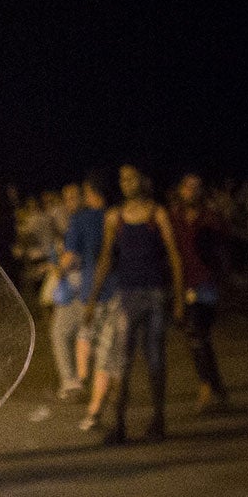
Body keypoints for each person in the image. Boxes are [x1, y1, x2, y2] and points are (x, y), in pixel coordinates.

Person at [85, 165, 183, 442]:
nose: (126, 183)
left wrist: (178, 300)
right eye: (122, 179)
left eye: (131, 177)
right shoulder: (114, 217)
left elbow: (174, 255)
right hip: (126, 295)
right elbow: (106, 258)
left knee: (155, 360)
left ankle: (158, 420)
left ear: (143, 179)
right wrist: (92, 301)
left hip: (154, 294)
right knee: (122, 362)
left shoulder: (157, 214)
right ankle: (119, 425)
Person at [168, 172, 230, 411]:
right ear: (181, 189)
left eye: (196, 186)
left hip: (207, 282)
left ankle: (208, 386)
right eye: (187, 186)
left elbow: (225, 242)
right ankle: (216, 387)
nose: (191, 191)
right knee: (197, 336)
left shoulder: (210, 216)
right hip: (184, 283)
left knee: (198, 334)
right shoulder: (174, 217)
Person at [49, 178, 104, 401]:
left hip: (80, 291)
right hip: (96, 288)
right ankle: (98, 384)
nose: (69, 202)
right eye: (66, 198)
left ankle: (72, 383)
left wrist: (57, 269)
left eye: (74, 197)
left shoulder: (79, 221)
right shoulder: (99, 218)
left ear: (84, 196)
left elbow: (70, 258)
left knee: (61, 333)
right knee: (91, 337)